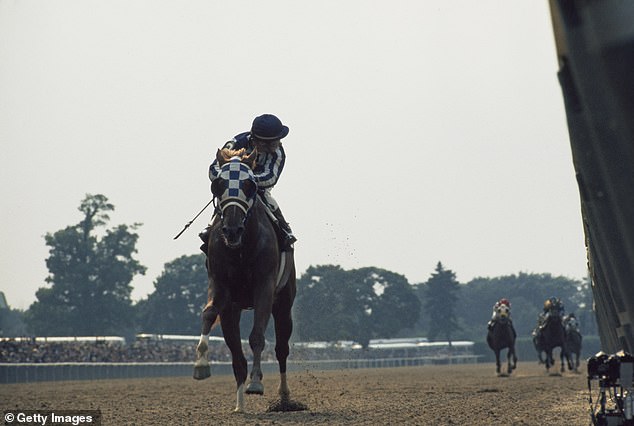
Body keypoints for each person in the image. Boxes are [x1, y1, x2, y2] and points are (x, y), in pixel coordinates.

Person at [200, 114, 297, 251]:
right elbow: (214, 168)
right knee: (227, 199)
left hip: (258, 187)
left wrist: (247, 178)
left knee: (268, 198)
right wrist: (228, 179)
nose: (275, 146)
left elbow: (270, 177)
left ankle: (284, 229)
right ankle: (210, 229)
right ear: (258, 140)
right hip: (232, 184)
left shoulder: (278, 153)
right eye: (271, 142)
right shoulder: (236, 143)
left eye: (276, 141)